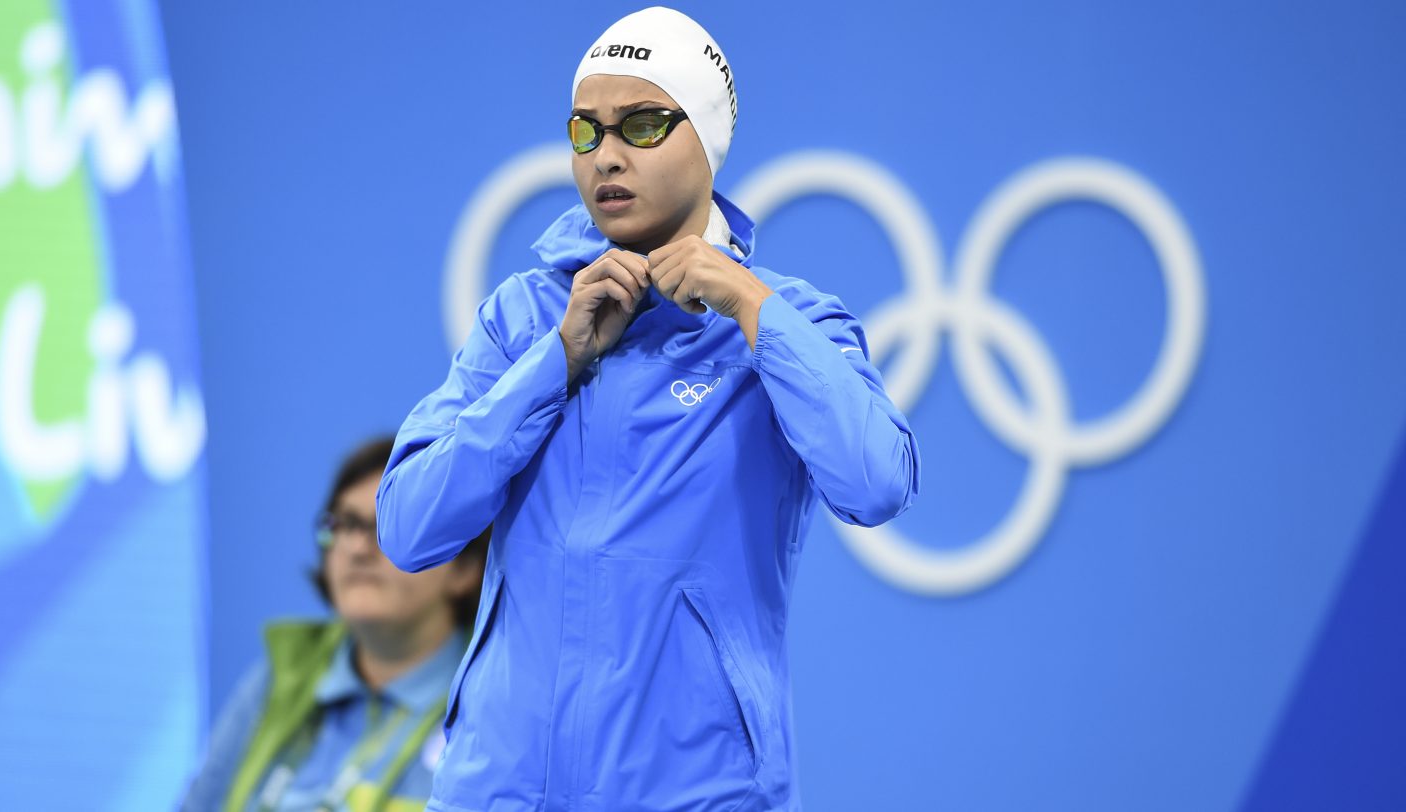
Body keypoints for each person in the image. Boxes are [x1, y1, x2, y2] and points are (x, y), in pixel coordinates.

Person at [377, 7, 920, 811]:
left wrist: (747, 301)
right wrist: (554, 364)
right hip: (498, 792)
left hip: (697, 794)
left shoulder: (786, 322)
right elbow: (409, 528)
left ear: (706, 139)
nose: (609, 155)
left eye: (642, 123)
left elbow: (876, 481)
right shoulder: (523, 318)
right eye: (587, 131)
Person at [182, 438, 488, 812]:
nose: (358, 548)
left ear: (466, 567)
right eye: (344, 524)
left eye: (389, 526)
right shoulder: (282, 678)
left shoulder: (492, 703)